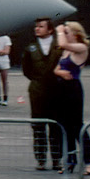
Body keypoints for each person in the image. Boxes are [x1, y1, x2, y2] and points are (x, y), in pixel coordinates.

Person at [50, 22, 90, 176]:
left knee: (77, 125)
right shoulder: (66, 52)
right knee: (64, 125)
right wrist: (60, 73)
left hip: (73, 89)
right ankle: (70, 160)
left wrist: (59, 31)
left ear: (76, 34)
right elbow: (56, 69)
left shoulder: (81, 47)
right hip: (61, 88)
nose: (65, 34)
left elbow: (62, 43)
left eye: (68, 32)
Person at [22, 18, 61, 171]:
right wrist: (38, 81)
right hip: (37, 91)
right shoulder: (30, 48)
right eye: (36, 27)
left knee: (56, 127)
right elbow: (27, 70)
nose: (37, 29)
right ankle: (41, 159)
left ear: (50, 30)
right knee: (38, 126)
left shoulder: (59, 47)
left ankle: (57, 159)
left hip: (57, 91)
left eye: (41, 26)